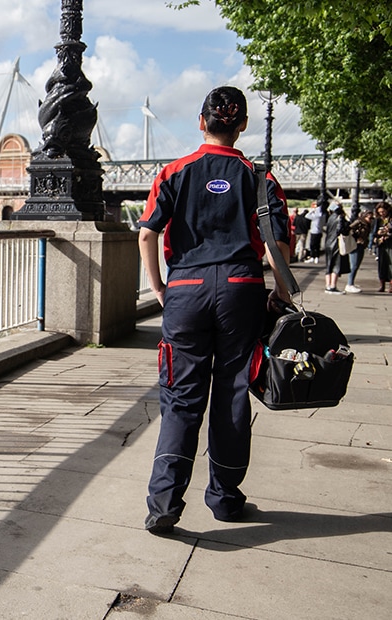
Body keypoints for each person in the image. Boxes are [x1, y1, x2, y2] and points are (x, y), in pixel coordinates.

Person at [137, 86, 291, 534]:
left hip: (186, 288)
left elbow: (148, 233)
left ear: (200, 121)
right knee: (231, 393)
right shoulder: (260, 178)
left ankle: (164, 502)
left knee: (181, 399)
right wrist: (279, 297)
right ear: (242, 125)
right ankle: (224, 499)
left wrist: (160, 287)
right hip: (242, 288)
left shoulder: (175, 172)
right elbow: (279, 243)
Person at [324, 202, 350, 294]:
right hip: (336, 243)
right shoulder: (340, 217)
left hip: (328, 243)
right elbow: (340, 230)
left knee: (328, 265)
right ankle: (333, 286)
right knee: (336, 265)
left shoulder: (330, 218)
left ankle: (327, 285)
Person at [345, 209, 374, 292]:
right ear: (364, 216)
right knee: (354, 265)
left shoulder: (367, 224)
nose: (371, 220)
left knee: (356, 265)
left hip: (362, 245)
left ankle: (351, 282)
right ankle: (349, 284)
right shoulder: (359, 222)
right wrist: (357, 237)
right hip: (356, 245)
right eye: (370, 218)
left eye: (372, 218)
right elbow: (349, 229)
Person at [372, 202, 392, 292]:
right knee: (381, 264)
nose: (381, 213)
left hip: (390, 243)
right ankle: (382, 284)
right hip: (381, 244)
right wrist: (377, 236)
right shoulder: (378, 220)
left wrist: (388, 233)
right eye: (379, 212)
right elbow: (374, 232)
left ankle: (391, 285)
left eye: (383, 211)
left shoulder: (390, 219)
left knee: (390, 263)